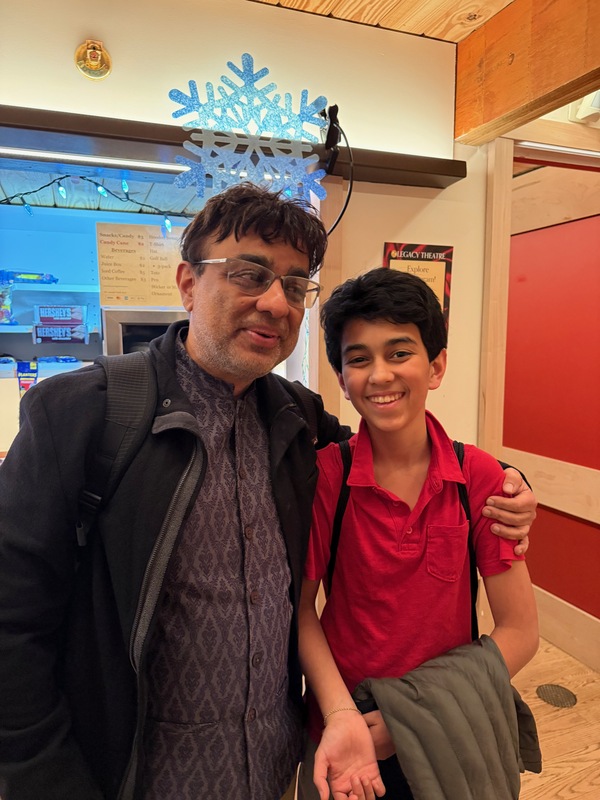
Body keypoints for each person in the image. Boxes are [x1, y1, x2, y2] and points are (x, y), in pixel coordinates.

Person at [0, 185, 535, 800]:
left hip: (279, 766)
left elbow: (395, 445)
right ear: (187, 283)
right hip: (136, 776)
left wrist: (512, 482)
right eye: (249, 273)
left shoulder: (296, 421)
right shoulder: (82, 414)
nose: (276, 302)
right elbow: (12, 625)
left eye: (295, 283)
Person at [297, 268, 540, 800]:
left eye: (399, 352)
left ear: (436, 366)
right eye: (359, 359)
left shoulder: (478, 478)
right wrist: (342, 713)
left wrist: (409, 716)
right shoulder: (326, 480)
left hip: (446, 726)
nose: (380, 374)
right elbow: (300, 612)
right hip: (344, 721)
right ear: (341, 379)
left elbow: (521, 630)